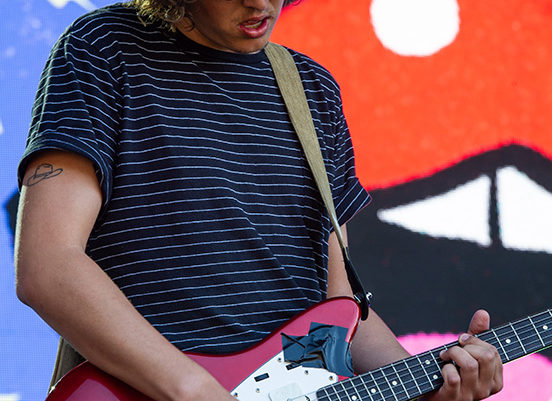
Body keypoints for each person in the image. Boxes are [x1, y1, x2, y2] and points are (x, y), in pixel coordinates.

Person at [14, 1, 503, 400]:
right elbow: (48, 266)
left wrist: (429, 389)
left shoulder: (312, 91)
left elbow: (336, 313)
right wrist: (197, 391)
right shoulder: (103, 47)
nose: (260, 3)